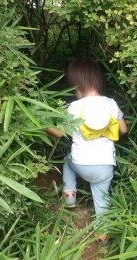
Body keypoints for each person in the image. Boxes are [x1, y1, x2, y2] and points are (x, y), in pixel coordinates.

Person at [46, 58, 127, 242]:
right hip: (105, 166)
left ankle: (70, 198)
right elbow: (123, 130)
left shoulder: (75, 106)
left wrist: (44, 126)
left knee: (67, 160)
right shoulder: (111, 104)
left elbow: (58, 133)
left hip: (80, 164)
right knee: (101, 200)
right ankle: (103, 239)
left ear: (77, 85)